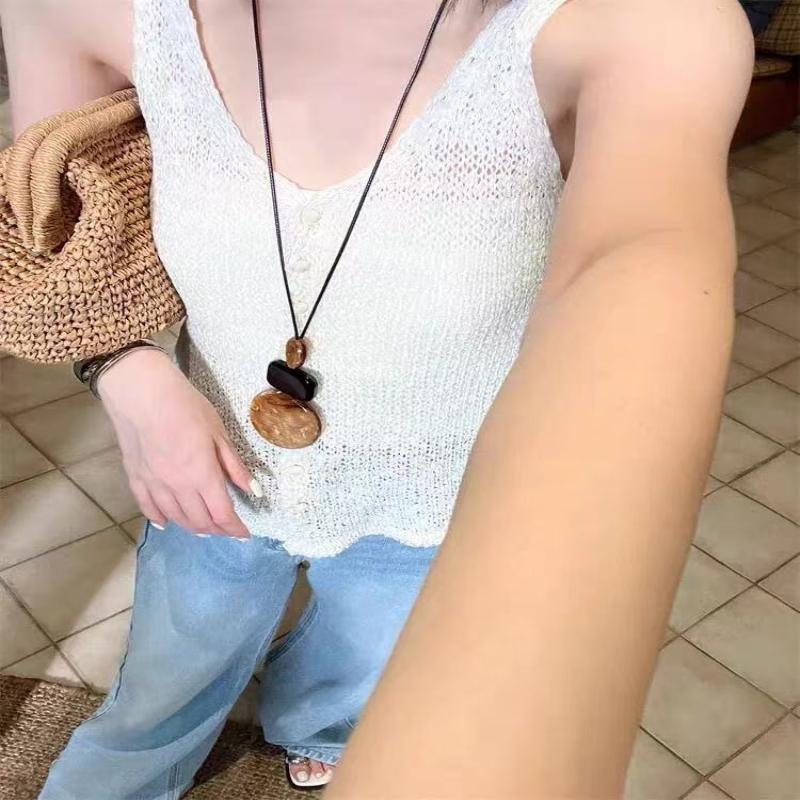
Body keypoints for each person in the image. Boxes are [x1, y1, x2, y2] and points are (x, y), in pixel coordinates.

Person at [0, 0, 752, 797]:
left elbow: (642, 265)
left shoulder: (623, 27)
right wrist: (126, 376)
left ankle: (320, 725)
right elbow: (50, 230)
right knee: (165, 675)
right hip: (206, 468)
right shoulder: (103, 10)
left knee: (359, 657)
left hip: (432, 490)